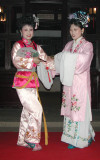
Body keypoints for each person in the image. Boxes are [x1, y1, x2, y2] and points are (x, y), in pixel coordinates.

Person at [50, 11, 95, 149]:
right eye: (71, 30)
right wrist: (50, 62)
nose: (72, 32)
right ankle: (77, 136)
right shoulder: (69, 45)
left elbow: (83, 62)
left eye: (75, 29)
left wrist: (67, 57)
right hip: (69, 84)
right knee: (71, 109)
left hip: (80, 84)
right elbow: (61, 61)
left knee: (80, 109)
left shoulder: (88, 46)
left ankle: (82, 138)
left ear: (82, 30)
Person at [11, 15, 53, 151]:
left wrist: (58, 64)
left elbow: (46, 59)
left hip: (33, 82)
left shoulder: (36, 46)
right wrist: (31, 61)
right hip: (22, 82)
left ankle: (22, 139)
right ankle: (32, 139)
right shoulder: (18, 45)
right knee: (36, 109)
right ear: (20, 31)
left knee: (27, 112)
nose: (28, 32)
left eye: (30, 30)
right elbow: (16, 61)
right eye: (25, 30)